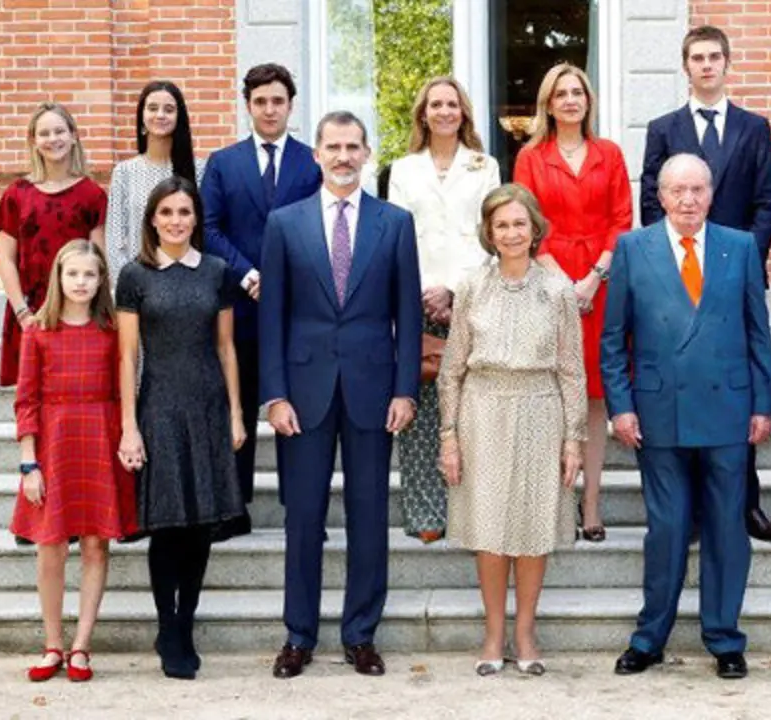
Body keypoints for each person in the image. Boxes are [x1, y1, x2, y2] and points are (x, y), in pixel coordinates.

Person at [260, 111, 421, 680]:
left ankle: (360, 634)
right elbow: (272, 316)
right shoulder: (284, 223)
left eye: (354, 146)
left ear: (368, 152)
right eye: (333, 146)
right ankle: (298, 635)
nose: (344, 156)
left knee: (369, 513)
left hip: (374, 391)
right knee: (303, 516)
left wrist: (406, 390)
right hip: (302, 394)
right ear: (317, 154)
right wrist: (273, 394)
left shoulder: (396, 223)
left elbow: (406, 313)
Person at [602, 154, 771, 680]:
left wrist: (764, 404)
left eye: (697, 189)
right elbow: (613, 341)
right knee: (668, 528)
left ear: (712, 192)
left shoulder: (740, 246)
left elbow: (757, 332)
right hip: (659, 413)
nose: (688, 200)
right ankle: (650, 636)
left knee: (726, 527)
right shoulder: (633, 248)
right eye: (677, 190)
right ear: (659, 194)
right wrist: (622, 405)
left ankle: (725, 638)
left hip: (728, 408)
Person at [639, 25, 771, 542]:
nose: (706, 65)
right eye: (697, 58)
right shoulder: (663, 128)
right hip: (678, 283)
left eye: (714, 57)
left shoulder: (754, 127)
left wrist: (745, 261)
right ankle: (695, 513)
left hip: (735, 279)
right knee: (690, 395)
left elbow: (769, 199)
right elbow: (649, 205)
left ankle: (746, 507)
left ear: (727, 64)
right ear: (686, 67)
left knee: (737, 385)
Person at [437, 184, 586, 676]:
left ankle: (525, 631)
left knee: (533, 525)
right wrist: (449, 436)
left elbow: (571, 370)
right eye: (501, 225)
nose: (511, 232)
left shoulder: (558, 289)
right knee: (490, 529)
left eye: (519, 223)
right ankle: (493, 633)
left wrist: (574, 439)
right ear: (489, 232)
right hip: (483, 410)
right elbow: (452, 367)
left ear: (535, 228)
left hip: (541, 409)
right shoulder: (472, 288)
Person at [116, 177, 249, 680]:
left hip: (209, 406)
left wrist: (237, 413)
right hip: (160, 408)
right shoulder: (135, 275)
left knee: (200, 529)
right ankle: (167, 625)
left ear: (197, 219)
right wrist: (130, 426)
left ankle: (186, 623)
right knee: (168, 525)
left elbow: (226, 348)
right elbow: (128, 355)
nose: (176, 221)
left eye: (185, 212)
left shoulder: (216, 271)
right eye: (167, 212)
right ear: (153, 218)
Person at [513, 63, 632, 542]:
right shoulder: (531, 157)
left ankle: (591, 503)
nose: (569, 100)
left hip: (603, 282)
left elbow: (622, 219)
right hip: (546, 280)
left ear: (588, 101)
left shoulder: (610, 153)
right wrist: (564, 281)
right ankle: (555, 500)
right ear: (548, 102)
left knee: (596, 397)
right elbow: (525, 219)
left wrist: (594, 277)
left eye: (576, 92)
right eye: (560, 93)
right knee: (554, 394)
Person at [12, 240, 137, 683]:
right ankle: (52, 644)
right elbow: (25, 400)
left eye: (90, 274)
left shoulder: (112, 330)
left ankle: (82, 646)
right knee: (50, 546)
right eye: (73, 274)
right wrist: (30, 463)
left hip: (100, 440)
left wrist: (127, 434)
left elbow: (124, 391)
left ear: (102, 279)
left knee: (94, 545)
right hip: (54, 444)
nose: (81, 282)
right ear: (58, 279)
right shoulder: (38, 332)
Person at [202, 63, 323, 504]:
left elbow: (321, 227)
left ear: (291, 105)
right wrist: (250, 273)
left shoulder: (312, 162)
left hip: (298, 310)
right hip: (240, 305)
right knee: (238, 402)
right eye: (260, 102)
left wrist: (284, 278)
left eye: (278, 101)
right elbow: (209, 228)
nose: (269, 110)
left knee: (296, 408)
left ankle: (301, 507)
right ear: (247, 106)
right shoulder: (222, 163)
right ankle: (234, 508)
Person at [388, 76, 501, 543]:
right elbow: (394, 234)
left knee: (472, 410)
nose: (444, 112)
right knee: (420, 410)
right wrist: (420, 291)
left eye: (452, 104)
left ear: (464, 112)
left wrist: (454, 291)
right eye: (435, 104)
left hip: (469, 300)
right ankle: (426, 514)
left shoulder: (484, 165)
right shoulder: (403, 168)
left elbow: (491, 234)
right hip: (415, 299)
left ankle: (471, 510)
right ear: (423, 113)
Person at [0, 103, 107, 387]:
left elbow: (99, 258)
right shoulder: (16, 194)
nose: (53, 139)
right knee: (31, 399)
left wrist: (94, 312)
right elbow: (6, 259)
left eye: (59, 131)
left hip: (77, 310)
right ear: (33, 140)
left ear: (73, 136)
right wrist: (22, 312)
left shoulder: (91, 194)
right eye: (44, 133)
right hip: (30, 311)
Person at [106, 81, 206, 288]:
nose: (160, 115)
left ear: (179, 118)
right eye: (152, 108)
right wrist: (126, 289)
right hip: (139, 286)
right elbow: (115, 241)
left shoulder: (200, 170)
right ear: (142, 115)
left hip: (189, 286)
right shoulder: (125, 172)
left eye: (168, 109)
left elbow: (205, 233)